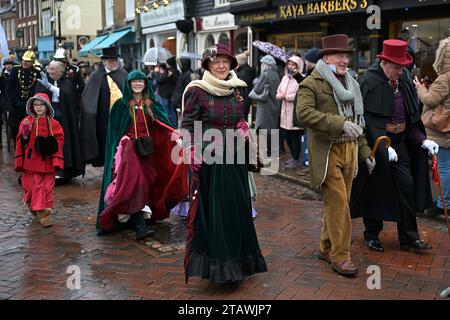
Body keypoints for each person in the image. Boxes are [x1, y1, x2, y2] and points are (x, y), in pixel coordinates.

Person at [181, 43, 267, 283]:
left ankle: (238, 262)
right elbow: (187, 125)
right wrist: (190, 150)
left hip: (236, 159)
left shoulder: (239, 89)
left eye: (225, 61)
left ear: (231, 64)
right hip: (211, 161)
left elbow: (240, 118)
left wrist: (243, 125)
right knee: (217, 213)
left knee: (237, 210)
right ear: (207, 65)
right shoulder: (196, 90)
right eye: (215, 62)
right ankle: (221, 267)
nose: (220, 66)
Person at [297, 34, 374, 277]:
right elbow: (304, 113)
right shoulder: (312, 82)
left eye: (347, 56)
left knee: (338, 205)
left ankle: (325, 246)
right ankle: (340, 256)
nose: (345, 60)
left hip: (350, 150)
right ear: (326, 57)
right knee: (339, 204)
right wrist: (338, 123)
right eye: (340, 55)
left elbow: (356, 122)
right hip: (327, 151)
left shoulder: (352, 83)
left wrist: (364, 152)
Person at [350, 39, 436, 253]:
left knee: (406, 186)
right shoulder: (367, 81)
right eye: (397, 67)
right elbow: (364, 121)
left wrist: (421, 139)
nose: (400, 71)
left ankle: (409, 238)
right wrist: (382, 146)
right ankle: (372, 235)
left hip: (400, 145)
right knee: (376, 188)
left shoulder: (404, 80)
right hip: (376, 144)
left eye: (403, 67)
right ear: (384, 63)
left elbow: (410, 117)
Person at [97, 70, 188, 240]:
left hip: (146, 151)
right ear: (129, 84)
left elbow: (163, 125)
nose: (138, 84)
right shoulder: (121, 106)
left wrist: (176, 137)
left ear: (145, 84)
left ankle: (138, 220)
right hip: (128, 151)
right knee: (134, 183)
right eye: (134, 81)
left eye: (141, 81)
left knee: (146, 183)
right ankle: (140, 227)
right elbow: (114, 133)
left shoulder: (151, 104)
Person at [14, 93, 64, 227]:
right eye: (36, 105)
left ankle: (44, 214)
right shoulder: (27, 121)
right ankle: (33, 205)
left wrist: (53, 147)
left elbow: (59, 140)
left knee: (47, 188)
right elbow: (21, 140)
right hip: (31, 162)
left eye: (41, 104)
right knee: (32, 187)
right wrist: (25, 132)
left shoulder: (54, 124)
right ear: (32, 107)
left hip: (47, 161)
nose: (39, 107)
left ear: (47, 106)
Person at [415, 36, 450, 217]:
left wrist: (420, 87)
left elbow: (430, 99)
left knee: (443, 167)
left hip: (443, 130)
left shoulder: (444, 78)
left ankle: (444, 204)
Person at [36, 60, 85, 182]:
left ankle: (63, 170)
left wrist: (51, 87)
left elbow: (68, 95)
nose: (50, 72)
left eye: (53, 69)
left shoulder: (67, 83)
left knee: (64, 143)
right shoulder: (43, 81)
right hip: (48, 118)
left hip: (64, 118)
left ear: (61, 71)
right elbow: (38, 98)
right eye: (49, 69)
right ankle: (47, 168)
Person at [80, 47, 128, 167]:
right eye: (111, 60)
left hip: (122, 117)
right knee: (107, 146)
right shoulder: (96, 76)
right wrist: (90, 113)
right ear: (104, 61)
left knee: (123, 143)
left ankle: (121, 167)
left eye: (115, 60)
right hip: (104, 119)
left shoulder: (123, 73)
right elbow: (89, 98)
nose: (114, 62)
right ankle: (109, 169)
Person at [6, 47, 41, 150]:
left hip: (29, 106)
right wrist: (16, 101)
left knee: (29, 129)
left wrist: (30, 103)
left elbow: (37, 89)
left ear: (32, 62)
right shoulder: (15, 70)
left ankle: (27, 147)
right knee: (15, 128)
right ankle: (18, 147)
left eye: (28, 61)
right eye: (23, 60)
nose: (25, 63)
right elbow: (9, 89)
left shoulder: (36, 73)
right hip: (15, 106)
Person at [277, 55, 305, 169]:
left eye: (293, 65)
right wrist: (280, 95)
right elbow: (278, 91)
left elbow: (301, 94)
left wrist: (287, 96)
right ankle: (293, 157)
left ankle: (297, 159)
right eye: (289, 64)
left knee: (295, 137)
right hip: (284, 113)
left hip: (294, 113)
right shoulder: (285, 78)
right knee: (286, 136)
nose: (291, 67)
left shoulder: (302, 78)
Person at [253, 54, 281, 158]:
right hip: (275, 105)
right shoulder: (276, 74)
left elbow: (257, 90)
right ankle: (273, 152)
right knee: (272, 129)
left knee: (263, 129)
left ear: (265, 65)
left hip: (265, 105)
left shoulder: (265, 74)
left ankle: (265, 153)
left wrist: (255, 81)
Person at [156, 57, 179, 127]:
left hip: (165, 94)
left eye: (167, 63)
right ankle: (173, 124)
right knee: (171, 110)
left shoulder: (170, 71)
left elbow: (160, 80)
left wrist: (159, 74)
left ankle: (170, 124)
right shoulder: (175, 71)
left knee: (167, 110)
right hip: (169, 94)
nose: (166, 64)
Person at [236, 51, 257, 121]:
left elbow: (240, 86)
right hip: (246, 98)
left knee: (242, 117)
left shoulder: (243, 73)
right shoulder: (246, 70)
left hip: (243, 98)